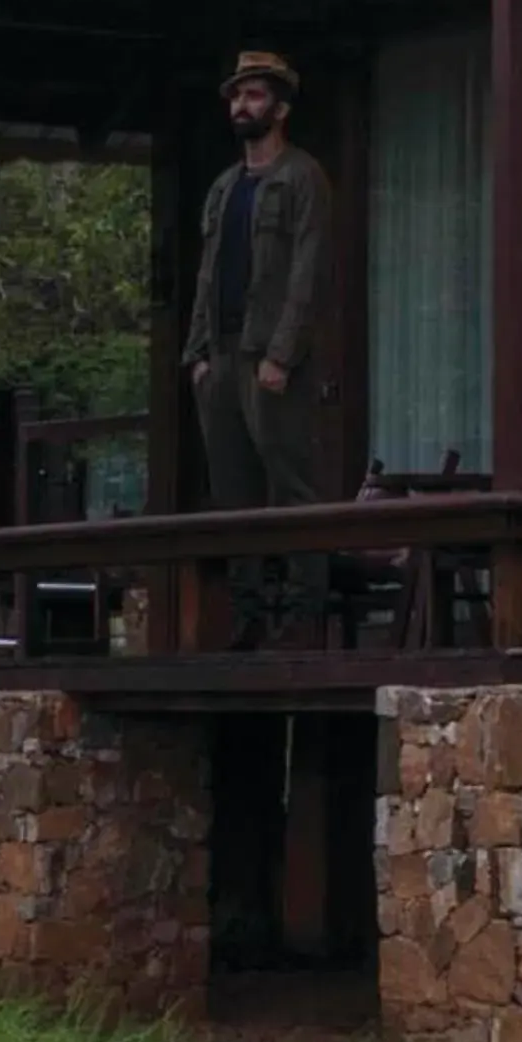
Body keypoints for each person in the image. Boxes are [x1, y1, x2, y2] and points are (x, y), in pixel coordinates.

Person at [181, 49, 333, 647]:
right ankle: (247, 613)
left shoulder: (302, 177)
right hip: (219, 354)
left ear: (281, 108)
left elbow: (308, 274)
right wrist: (196, 355)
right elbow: (205, 274)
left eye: (255, 95)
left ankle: (302, 612)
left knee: (290, 481)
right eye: (237, 97)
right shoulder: (224, 187)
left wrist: (282, 355)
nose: (242, 106)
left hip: (269, 356)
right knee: (232, 491)